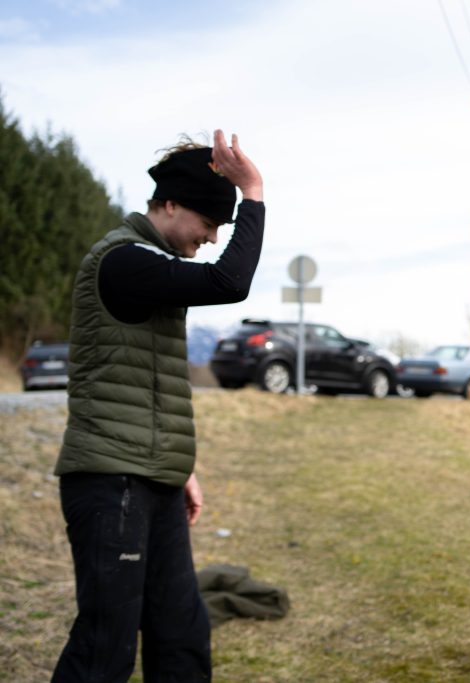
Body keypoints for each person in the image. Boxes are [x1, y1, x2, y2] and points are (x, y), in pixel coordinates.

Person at [51, 130, 265, 682]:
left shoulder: (153, 270)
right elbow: (229, 281)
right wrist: (253, 195)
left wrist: (180, 464)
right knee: (106, 648)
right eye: (209, 224)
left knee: (181, 635)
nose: (214, 238)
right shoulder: (125, 261)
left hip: (153, 477)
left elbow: (148, 379)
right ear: (170, 206)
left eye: (221, 227)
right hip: (110, 480)